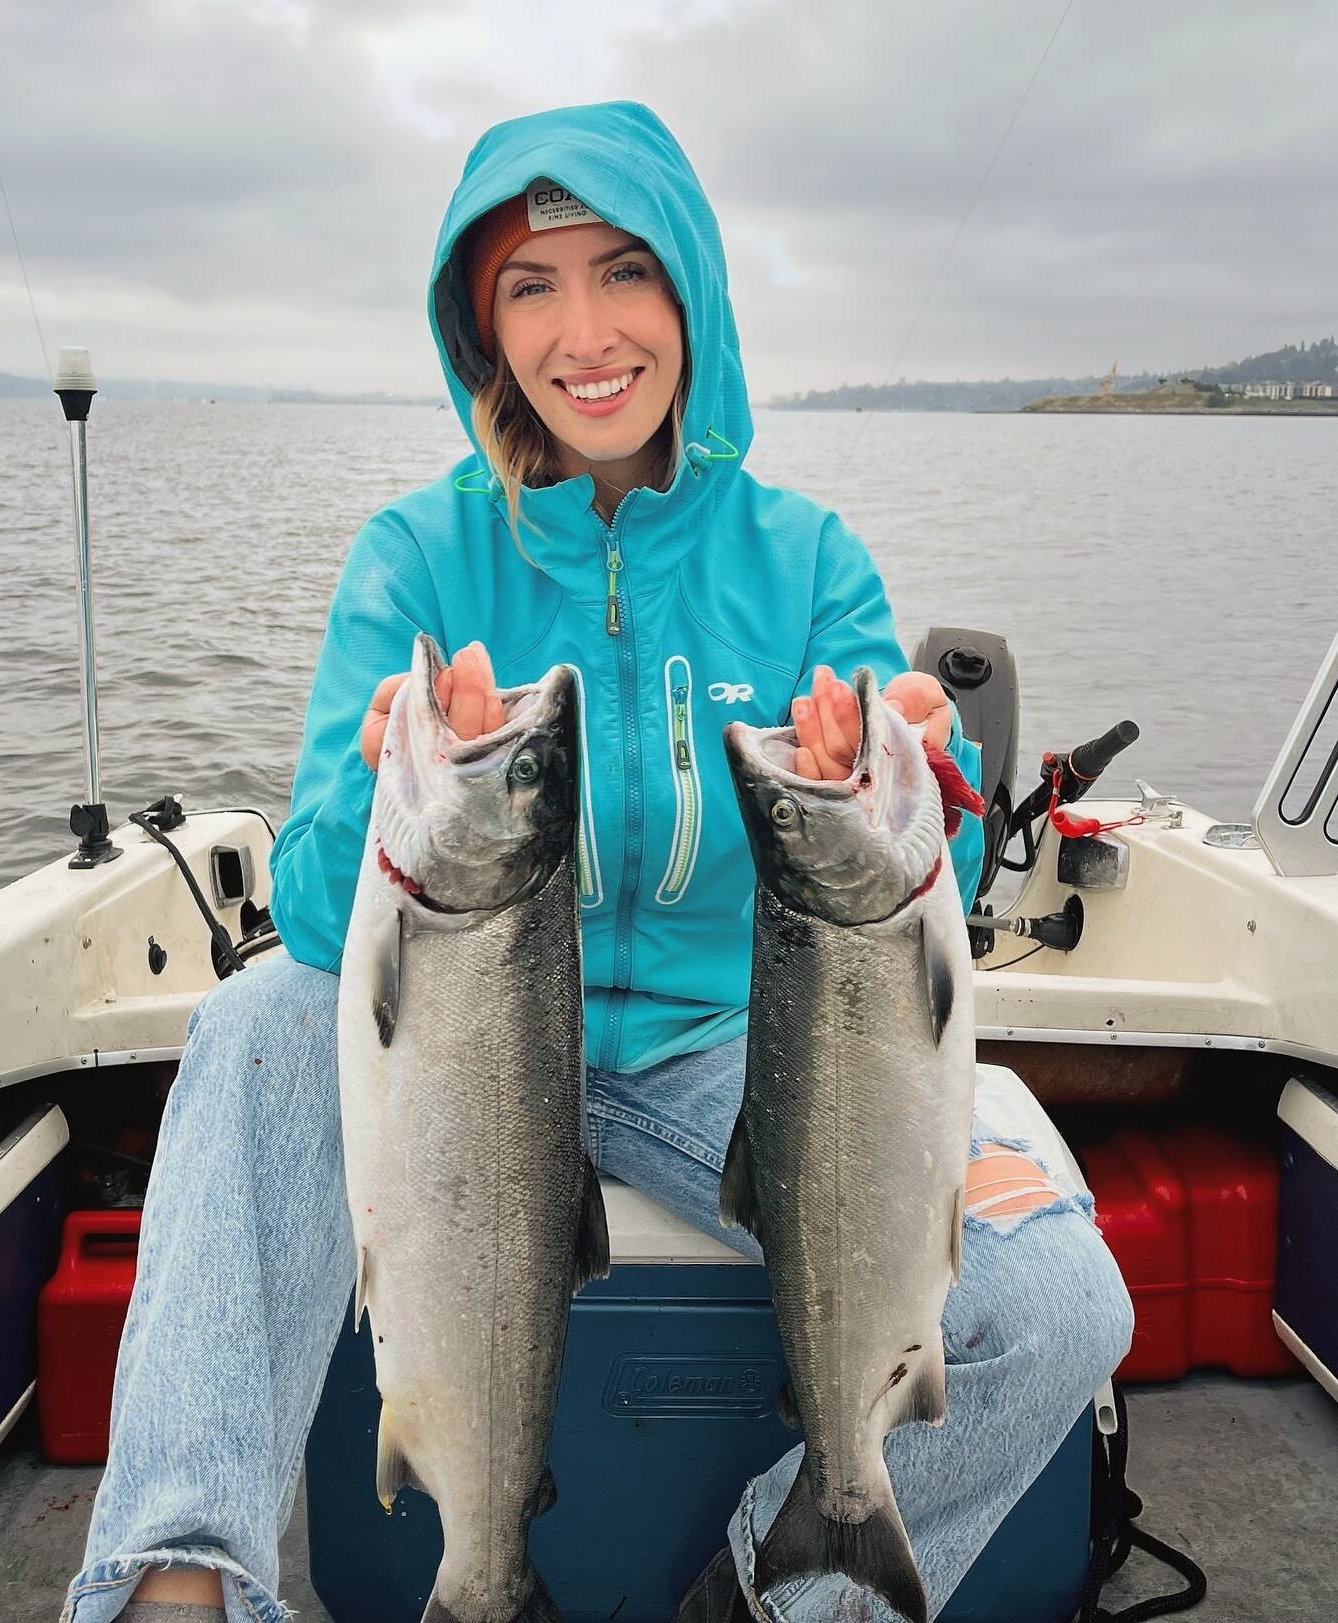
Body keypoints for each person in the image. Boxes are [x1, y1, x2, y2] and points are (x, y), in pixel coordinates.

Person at [61, 100, 1133, 1623]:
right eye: (530, 286)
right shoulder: (416, 558)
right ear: (482, 328)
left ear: (689, 289)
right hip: (473, 1064)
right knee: (251, 1031)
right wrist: (378, 799)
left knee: (1056, 1297)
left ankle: (775, 1596)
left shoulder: (810, 557)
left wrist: (909, 781)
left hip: (748, 1061)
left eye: (625, 271)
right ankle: (180, 1581)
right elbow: (312, 920)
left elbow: (928, 910)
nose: (587, 332)